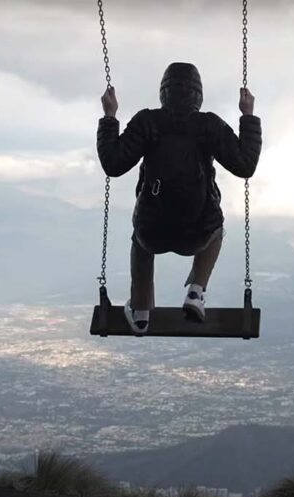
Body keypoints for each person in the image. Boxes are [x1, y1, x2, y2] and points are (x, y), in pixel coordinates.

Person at [97, 62, 261, 332]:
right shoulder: (209, 125)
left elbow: (113, 165)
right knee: (216, 230)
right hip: (197, 232)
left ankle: (140, 311)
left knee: (141, 243)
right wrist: (248, 115)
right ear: (199, 95)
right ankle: (196, 292)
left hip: (153, 230)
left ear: (164, 92)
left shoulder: (147, 122)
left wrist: (110, 116)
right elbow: (245, 165)